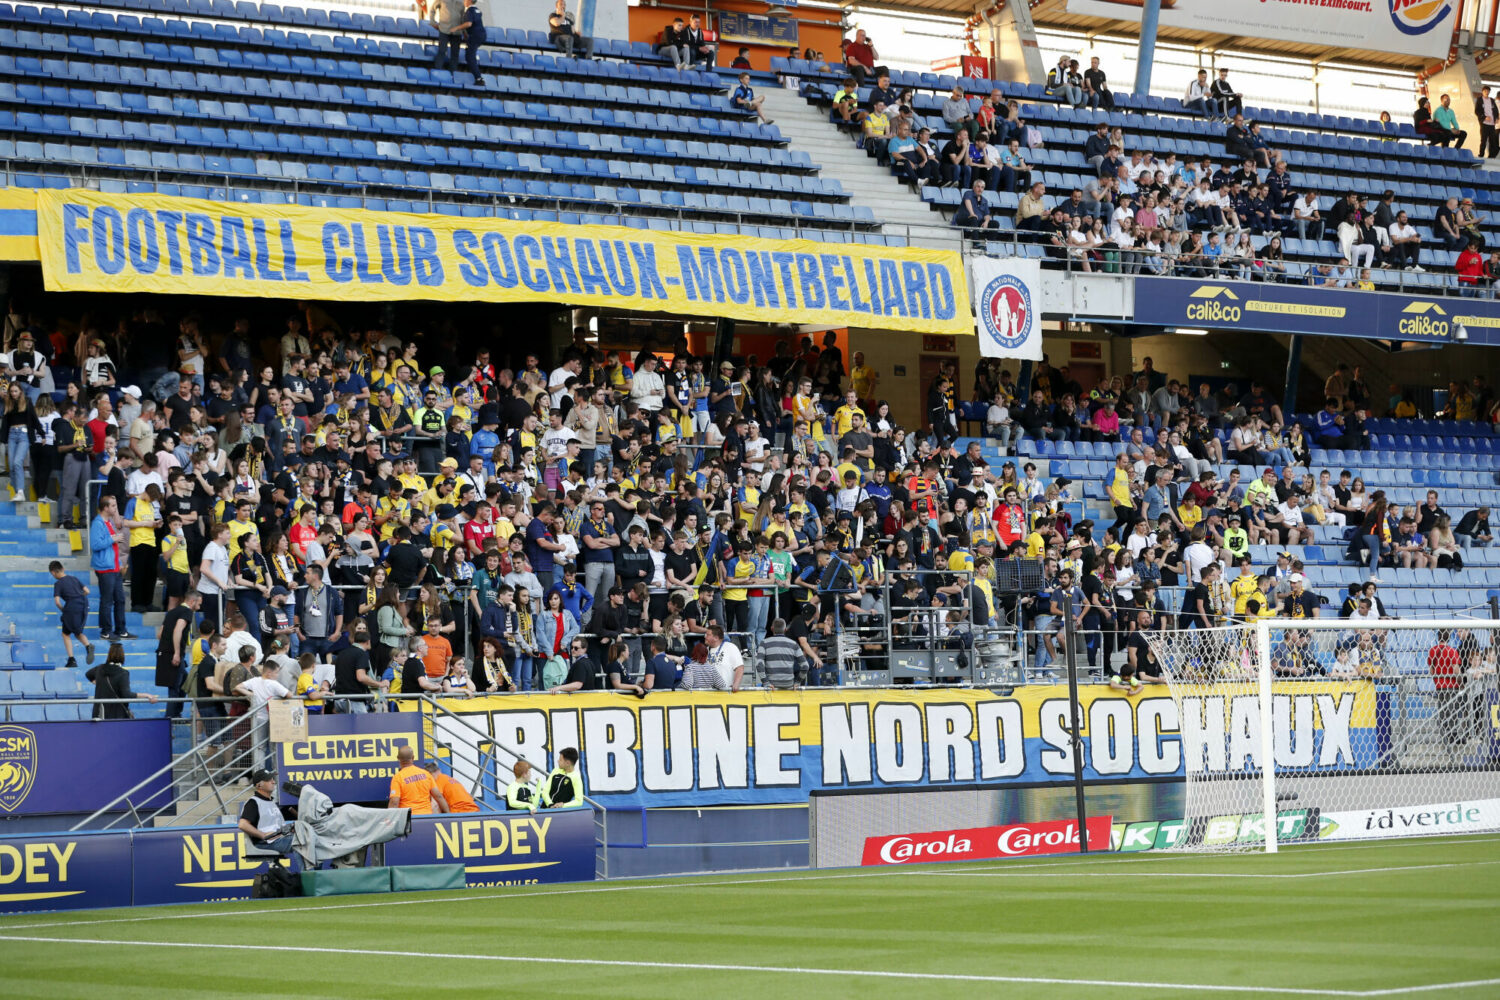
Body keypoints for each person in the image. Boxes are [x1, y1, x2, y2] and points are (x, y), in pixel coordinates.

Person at [89, 494, 135, 641]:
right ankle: (106, 631)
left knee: (120, 599)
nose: (116, 508)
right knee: (107, 600)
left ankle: (121, 629)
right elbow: (95, 545)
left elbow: (112, 548)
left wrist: (120, 564)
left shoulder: (108, 522)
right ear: (105, 507)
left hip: (114, 566)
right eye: (113, 506)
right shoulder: (98, 523)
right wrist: (112, 539)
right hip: (105, 568)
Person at [86, 642, 156, 719]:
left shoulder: (99, 668)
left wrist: (101, 683)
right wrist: (146, 695)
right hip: (116, 716)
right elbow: (126, 694)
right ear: (122, 655)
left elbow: (88, 674)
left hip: (98, 713)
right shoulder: (123, 673)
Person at [50, 559, 95, 670]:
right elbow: (87, 591)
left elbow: (57, 602)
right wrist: (80, 597)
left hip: (71, 606)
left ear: (53, 573)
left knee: (66, 634)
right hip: (84, 604)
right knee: (75, 631)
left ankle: (74, 658)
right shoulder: (74, 578)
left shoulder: (58, 584)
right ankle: (86, 648)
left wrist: (64, 610)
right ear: (63, 569)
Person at [238, 768, 291, 856]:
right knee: (301, 842)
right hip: (266, 843)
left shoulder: (271, 802)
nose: (273, 782)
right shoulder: (253, 802)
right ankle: (307, 870)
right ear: (259, 785)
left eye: (273, 779)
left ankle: (308, 869)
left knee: (308, 840)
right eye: (269, 780)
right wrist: (263, 835)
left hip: (278, 839)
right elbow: (242, 824)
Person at [388, 744, 447, 815]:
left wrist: (389, 819)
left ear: (398, 758)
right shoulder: (426, 774)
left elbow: (394, 802)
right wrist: (448, 814)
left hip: (409, 818)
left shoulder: (398, 777)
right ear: (413, 757)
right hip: (426, 816)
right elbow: (438, 796)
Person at [458, 0, 486, 86]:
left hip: (475, 35)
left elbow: (469, 24)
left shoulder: (470, 11)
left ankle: (479, 79)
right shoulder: (477, 10)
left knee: (470, 56)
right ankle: (478, 77)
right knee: (471, 53)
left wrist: (456, 28)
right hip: (481, 35)